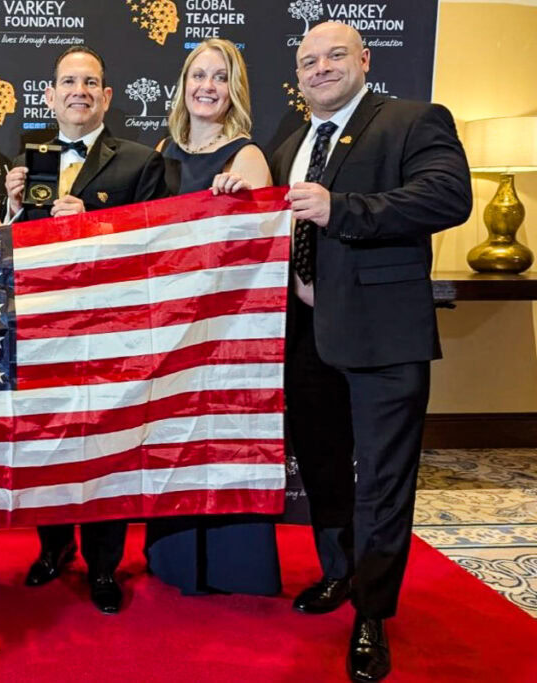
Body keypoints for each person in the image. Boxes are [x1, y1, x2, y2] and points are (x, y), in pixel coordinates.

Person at [217, 22, 471, 681]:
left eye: (335, 56)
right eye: (308, 61)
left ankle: (373, 613)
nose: (320, 68)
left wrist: (343, 209)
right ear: (297, 76)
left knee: (383, 480)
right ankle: (339, 574)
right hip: (303, 332)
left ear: (364, 59)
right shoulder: (292, 140)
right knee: (326, 470)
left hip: (384, 334)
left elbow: (449, 196)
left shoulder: (413, 120)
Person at [4, 45, 167, 614]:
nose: (79, 90)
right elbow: (16, 250)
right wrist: (13, 207)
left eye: (90, 81)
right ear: (49, 95)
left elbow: (156, 248)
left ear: (107, 96)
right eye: (67, 81)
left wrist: (93, 224)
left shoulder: (142, 160)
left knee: (106, 449)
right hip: (46, 329)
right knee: (47, 442)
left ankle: (103, 567)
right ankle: (53, 551)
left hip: (110, 331)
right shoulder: (29, 158)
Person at [143, 38, 281, 599]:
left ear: (234, 89)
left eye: (220, 78)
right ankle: (175, 561)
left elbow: (270, 247)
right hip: (171, 328)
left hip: (224, 335)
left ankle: (232, 567)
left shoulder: (245, 156)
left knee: (221, 442)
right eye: (198, 75)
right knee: (176, 438)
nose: (207, 86)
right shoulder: (162, 149)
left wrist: (242, 200)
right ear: (183, 85)